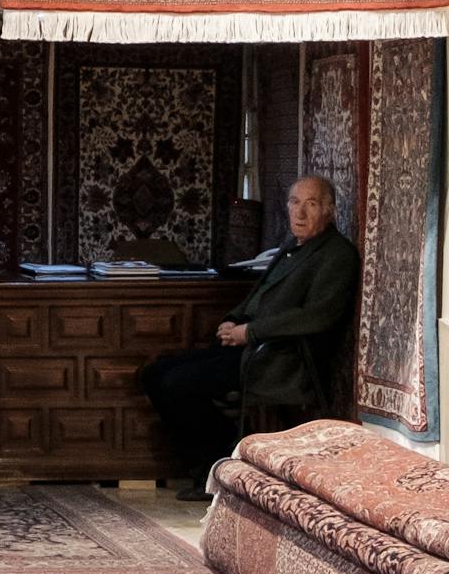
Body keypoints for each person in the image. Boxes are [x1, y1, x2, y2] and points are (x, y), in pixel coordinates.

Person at [138, 174, 360, 497]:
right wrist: (233, 320)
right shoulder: (291, 247)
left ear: (329, 210)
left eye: (311, 204)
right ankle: (219, 458)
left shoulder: (338, 255)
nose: (299, 213)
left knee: (177, 384)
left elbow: (315, 317)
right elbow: (259, 294)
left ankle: (219, 464)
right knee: (155, 374)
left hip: (281, 358)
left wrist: (250, 332)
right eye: (294, 202)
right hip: (251, 347)